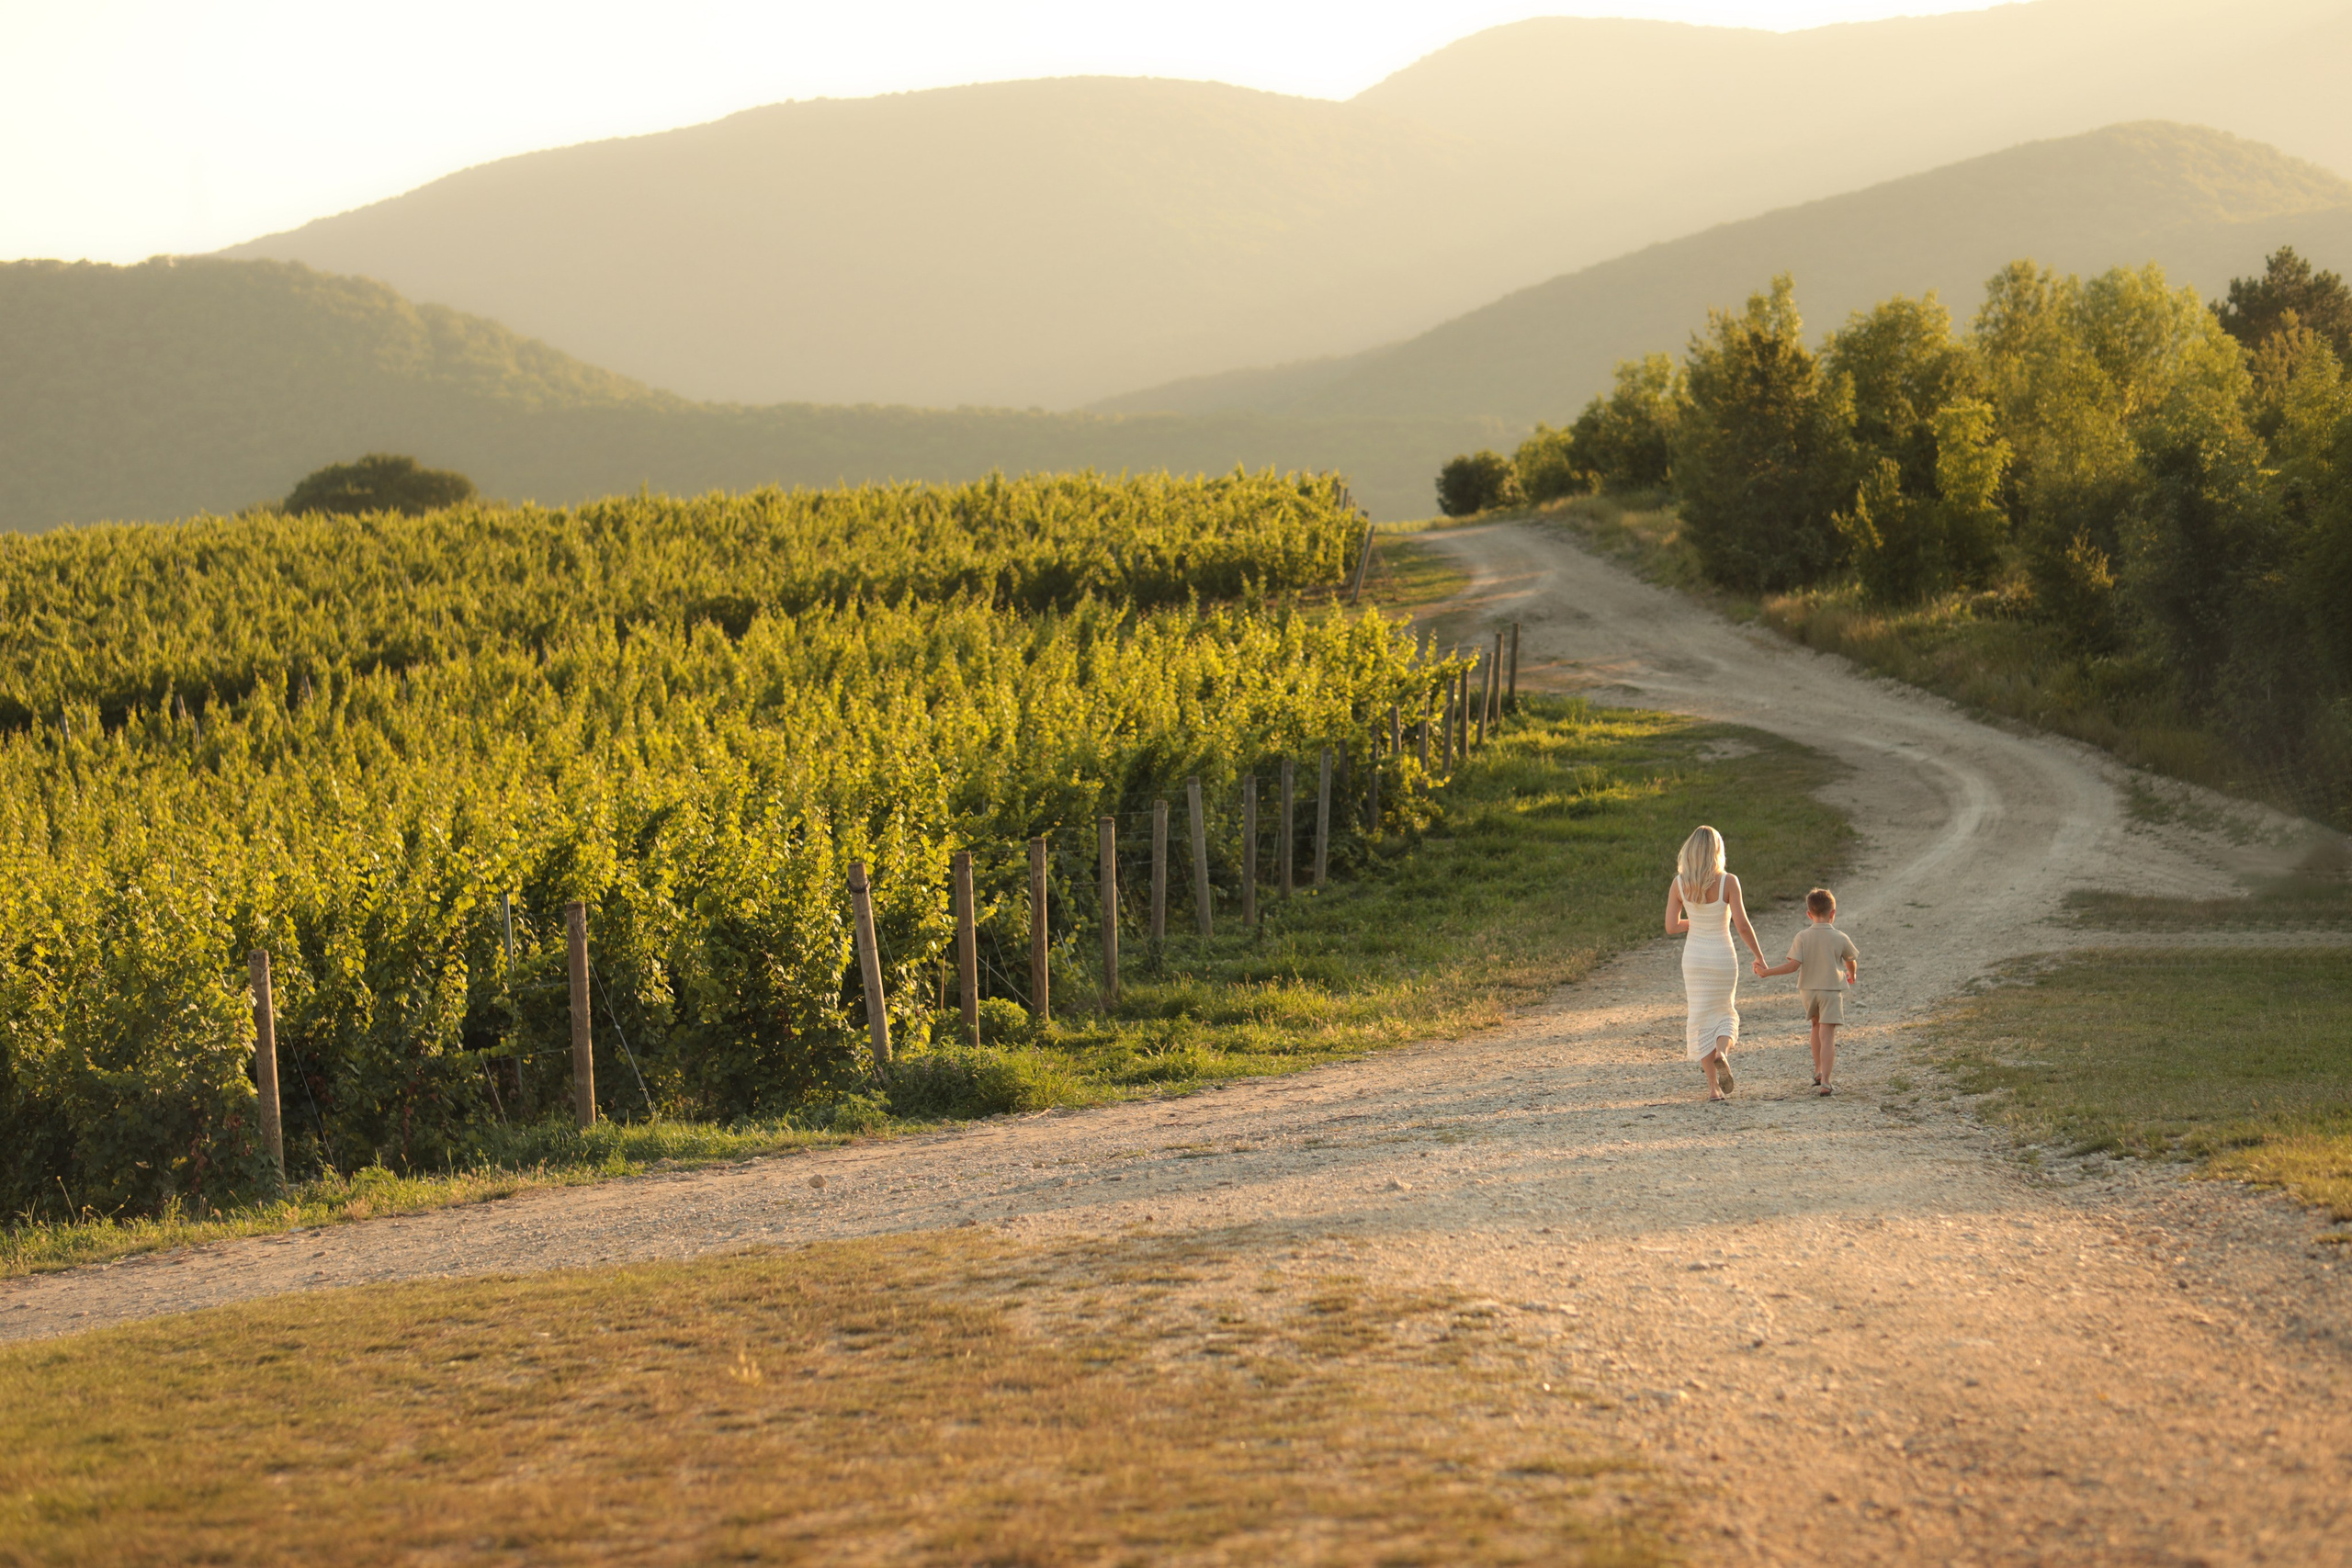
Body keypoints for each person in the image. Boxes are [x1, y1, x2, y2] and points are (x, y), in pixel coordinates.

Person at [1664, 825, 1765, 1101]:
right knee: (1724, 1013)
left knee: (1700, 1018)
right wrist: (1759, 956)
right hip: (1722, 957)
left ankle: (1713, 1089)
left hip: (1695, 959)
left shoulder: (1680, 883)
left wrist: (1695, 921)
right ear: (1718, 851)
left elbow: (1671, 927)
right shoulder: (1728, 881)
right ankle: (1722, 1050)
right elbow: (1742, 925)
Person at [1754, 886, 1860, 1095]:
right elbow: (1851, 960)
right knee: (1828, 1034)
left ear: (1809, 914)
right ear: (1833, 913)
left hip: (1808, 990)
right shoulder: (1840, 937)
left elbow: (1793, 966)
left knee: (1815, 1026)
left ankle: (1818, 1069)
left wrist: (1767, 972)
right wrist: (1852, 974)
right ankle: (1827, 1082)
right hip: (1830, 990)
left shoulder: (1802, 936)